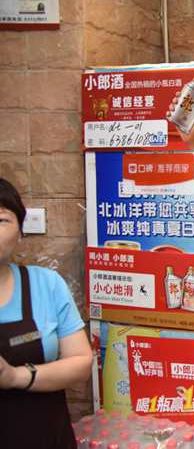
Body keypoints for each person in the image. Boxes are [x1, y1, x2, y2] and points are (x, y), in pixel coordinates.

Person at [0, 178, 92, 448]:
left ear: (20, 231)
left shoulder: (46, 284)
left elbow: (81, 362)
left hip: (45, 436)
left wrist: (15, 377)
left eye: (2, 220)